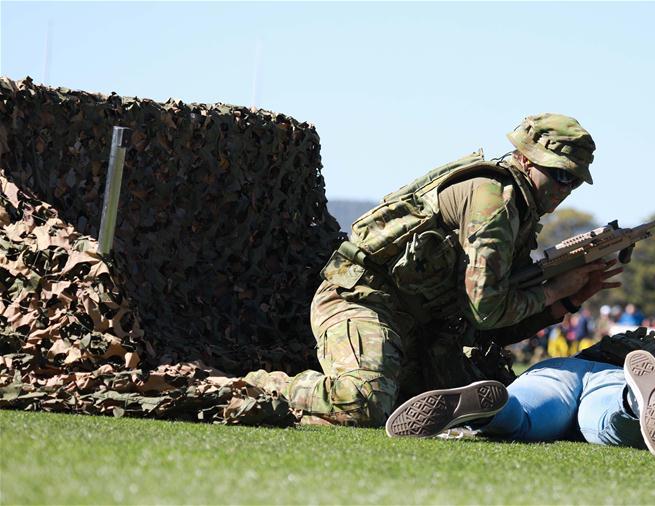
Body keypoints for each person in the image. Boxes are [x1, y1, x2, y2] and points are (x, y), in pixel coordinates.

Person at [244, 113, 626, 426]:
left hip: (420, 328)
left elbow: (488, 326)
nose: (564, 189)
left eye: (574, 181)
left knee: (492, 410)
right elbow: (487, 309)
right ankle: (255, 387)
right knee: (363, 403)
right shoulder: (493, 202)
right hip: (362, 301)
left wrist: (571, 299)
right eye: (559, 174)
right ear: (525, 158)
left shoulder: (519, 216)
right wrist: (555, 290)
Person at [386, 328, 655, 459]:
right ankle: (633, 402)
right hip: (613, 381)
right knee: (606, 422)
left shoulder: (627, 340)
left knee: (523, 415)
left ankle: (488, 411)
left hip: (561, 369)